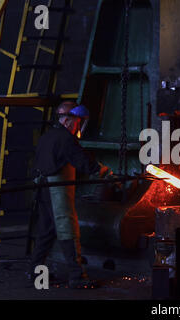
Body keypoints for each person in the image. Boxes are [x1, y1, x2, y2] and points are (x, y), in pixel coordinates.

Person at [28, 101, 112, 288]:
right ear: (67, 120)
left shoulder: (48, 136)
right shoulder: (66, 139)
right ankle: (77, 277)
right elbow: (82, 161)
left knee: (46, 231)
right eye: (76, 122)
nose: (78, 126)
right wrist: (105, 172)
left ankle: (35, 273)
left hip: (41, 188)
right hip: (56, 188)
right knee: (67, 228)